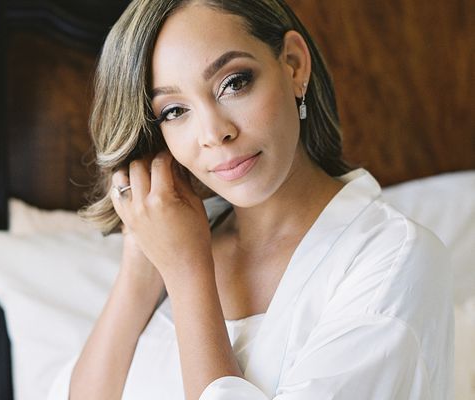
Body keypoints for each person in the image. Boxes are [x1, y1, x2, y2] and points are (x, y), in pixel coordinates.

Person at [48, 0, 454, 399]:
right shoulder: (173, 242)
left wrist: (189, 274)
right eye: (173, 110)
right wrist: (141, 265)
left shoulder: (394, 260)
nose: (214, 132)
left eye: (234, 83)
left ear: (294, 65)